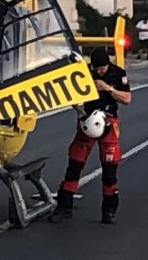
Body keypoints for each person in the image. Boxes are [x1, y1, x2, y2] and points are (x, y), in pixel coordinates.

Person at [49, 48, 132, 224]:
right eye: (96, 68)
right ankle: (64, 206)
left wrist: (107, 88)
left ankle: (109, 209)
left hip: (108, 121)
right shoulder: (85, 72)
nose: (99, 71)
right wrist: (78, 110)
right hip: (87, 121)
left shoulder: (118, 73)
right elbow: (70, 94)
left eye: (101, 68)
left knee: (109, 169)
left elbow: (126, 99)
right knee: (75, 163)